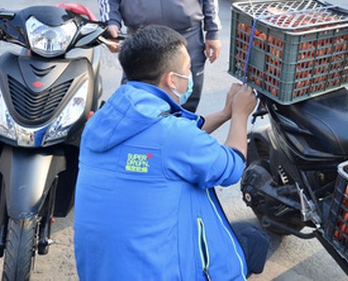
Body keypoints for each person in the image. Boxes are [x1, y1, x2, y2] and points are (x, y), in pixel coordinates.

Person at [74, 24, 269, 280]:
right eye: (188, 69)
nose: (190, 76)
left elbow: (177, 139)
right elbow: (232, 167)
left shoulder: (100, 123)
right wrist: (241, 115)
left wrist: (224, 114)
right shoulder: (171, 136)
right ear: (171, 79)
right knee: (254, 241)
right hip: (155, 273)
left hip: (99, 270)